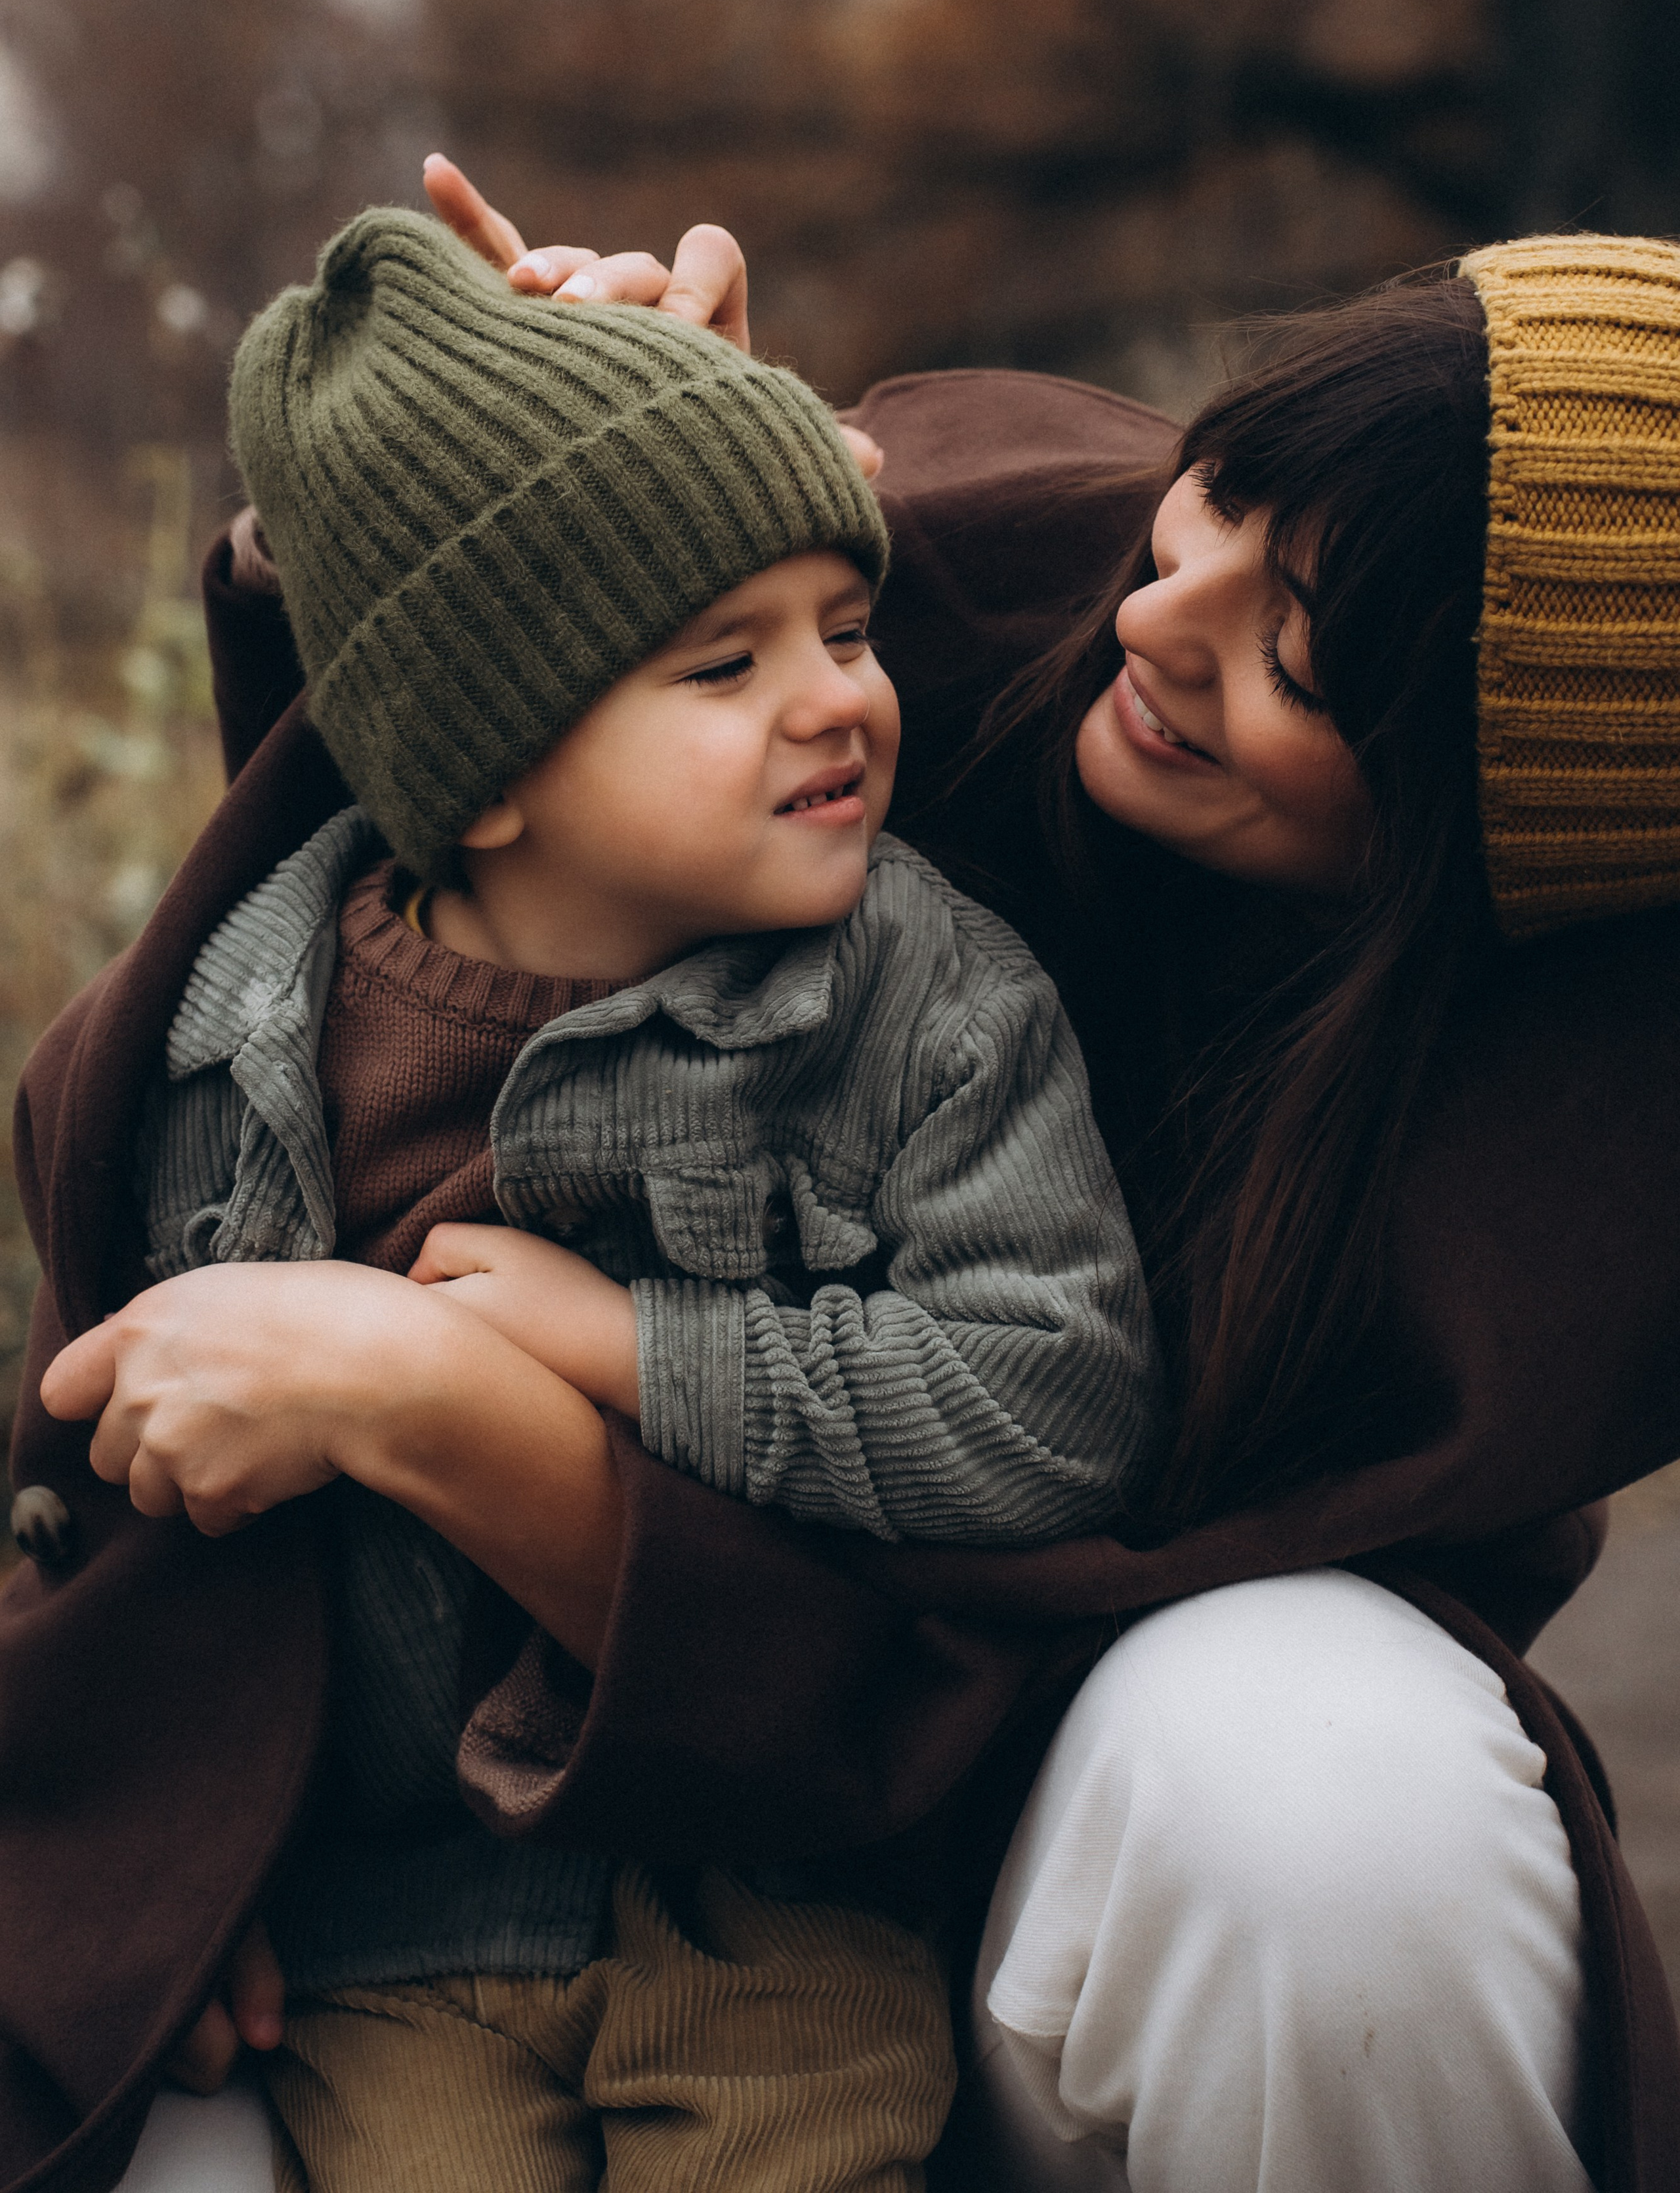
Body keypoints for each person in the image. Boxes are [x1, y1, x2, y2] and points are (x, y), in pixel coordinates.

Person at [5, 180, 1680, 2193]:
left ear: (1472, 837)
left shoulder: (1530, 1193)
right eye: (1212, 494)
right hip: (420, 1905)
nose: (1155, 619)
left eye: (1296, 662)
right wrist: (510, 454)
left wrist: (482, 1392)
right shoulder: (980, 571)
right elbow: (421, 825)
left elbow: (1022, 1499)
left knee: (1320, 1773)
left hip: (960, 1894)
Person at [36, 201, 1162, 2193]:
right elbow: (110, 1457)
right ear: (478, 777)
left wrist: (637, 1349)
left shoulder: (928, 1002)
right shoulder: (235, 1035)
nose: (835, 698)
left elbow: (1049, 1401)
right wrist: (143, 1848)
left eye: (847, 624)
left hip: (782, 1912)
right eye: (722, 664)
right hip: (397, 1942)